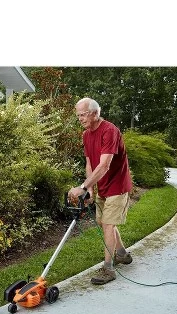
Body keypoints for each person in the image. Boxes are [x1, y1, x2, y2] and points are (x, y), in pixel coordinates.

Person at [68, 97, 133, 285]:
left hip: (118, 186)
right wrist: (89, 188)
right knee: (103, 222)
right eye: (78, 115)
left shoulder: (109, 131)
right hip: (102, 185)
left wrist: (81, 187)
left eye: (83, 114)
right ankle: (122, 254)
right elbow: (90, 164)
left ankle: (108, 269)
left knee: (107, 224)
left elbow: (104, 165)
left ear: (95, 113)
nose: (80, 119)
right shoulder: (86, 135)